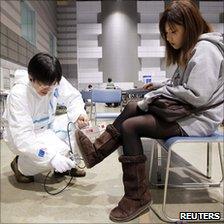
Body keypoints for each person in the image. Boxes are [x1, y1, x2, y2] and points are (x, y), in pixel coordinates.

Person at [75, 0, 223, 222]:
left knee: (130, 125)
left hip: (197, 119)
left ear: (190, 26)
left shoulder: (206, 50)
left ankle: (136, 196)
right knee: (134, 106)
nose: (170, 38)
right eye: (167, 33)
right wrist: (159, 87)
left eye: (174, 31)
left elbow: (197, 94)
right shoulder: (194, 49)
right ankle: (100, 154)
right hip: (188, 114)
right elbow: (180, 84)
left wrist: (156, 94)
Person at [2, 53, 89, 183]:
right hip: (22, 136)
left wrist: (79, 114)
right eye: (44, 85)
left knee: (73, 125)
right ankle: (20, 165)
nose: (49, 89)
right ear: (31, 78)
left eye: (53, 85)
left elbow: (73, 97)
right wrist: (51, 157)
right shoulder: (19, 94)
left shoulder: (52, 79)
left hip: (46, 128)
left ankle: (65, 166)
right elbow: (23, 138)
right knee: (48, 156)